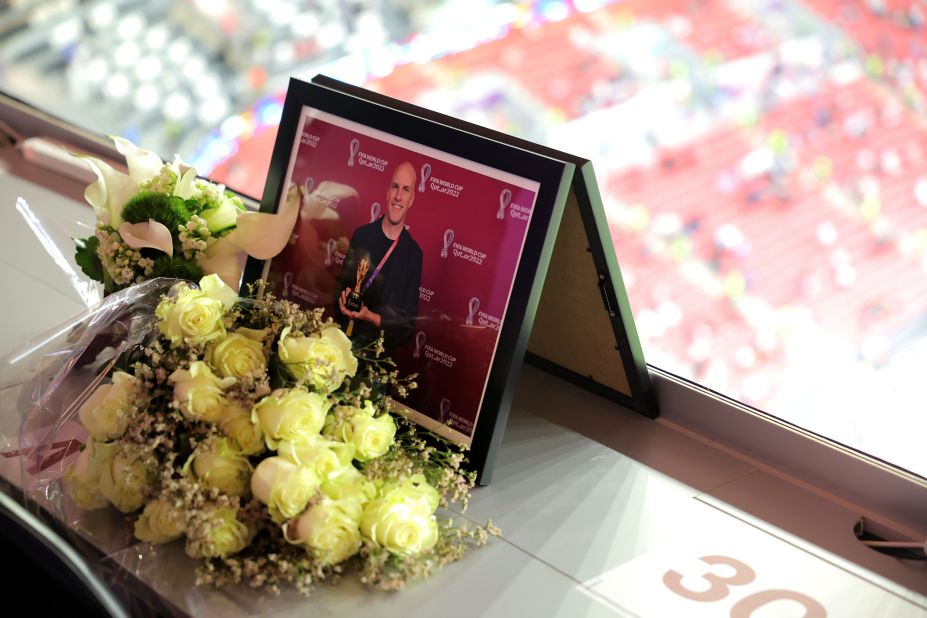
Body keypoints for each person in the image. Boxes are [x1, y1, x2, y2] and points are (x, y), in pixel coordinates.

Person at [335, 161, 423, 357]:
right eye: (395, 187)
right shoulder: (362, 235)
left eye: (406, 190)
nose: (398, 196)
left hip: (377, 359)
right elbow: (341, 287)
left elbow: (407, 328)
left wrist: (369, 316)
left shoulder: (414, 255)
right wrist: (342, 297)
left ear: (411, 199)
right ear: (387, 191)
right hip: (342, 346)